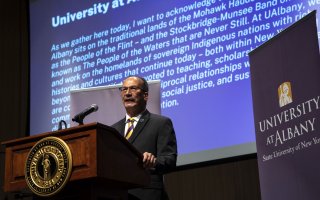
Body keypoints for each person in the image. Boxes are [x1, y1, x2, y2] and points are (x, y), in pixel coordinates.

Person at [112, 76, 177, 200]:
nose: (127, 93)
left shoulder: (160, 123)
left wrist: (153, 162)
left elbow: (170, 160)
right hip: (119, 194)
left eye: (133, 88)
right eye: (124, 89)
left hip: (147, 194)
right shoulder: (113, 130)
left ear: (145, 95)